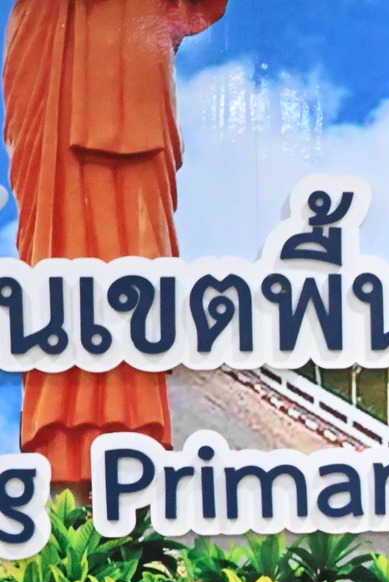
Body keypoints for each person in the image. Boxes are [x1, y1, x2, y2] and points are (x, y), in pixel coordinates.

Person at [3, 0, 228, 495]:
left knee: (134, 258)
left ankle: (133, 441)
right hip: (53, 45)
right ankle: (59, 452)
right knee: (56, 256)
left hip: (130, 52)